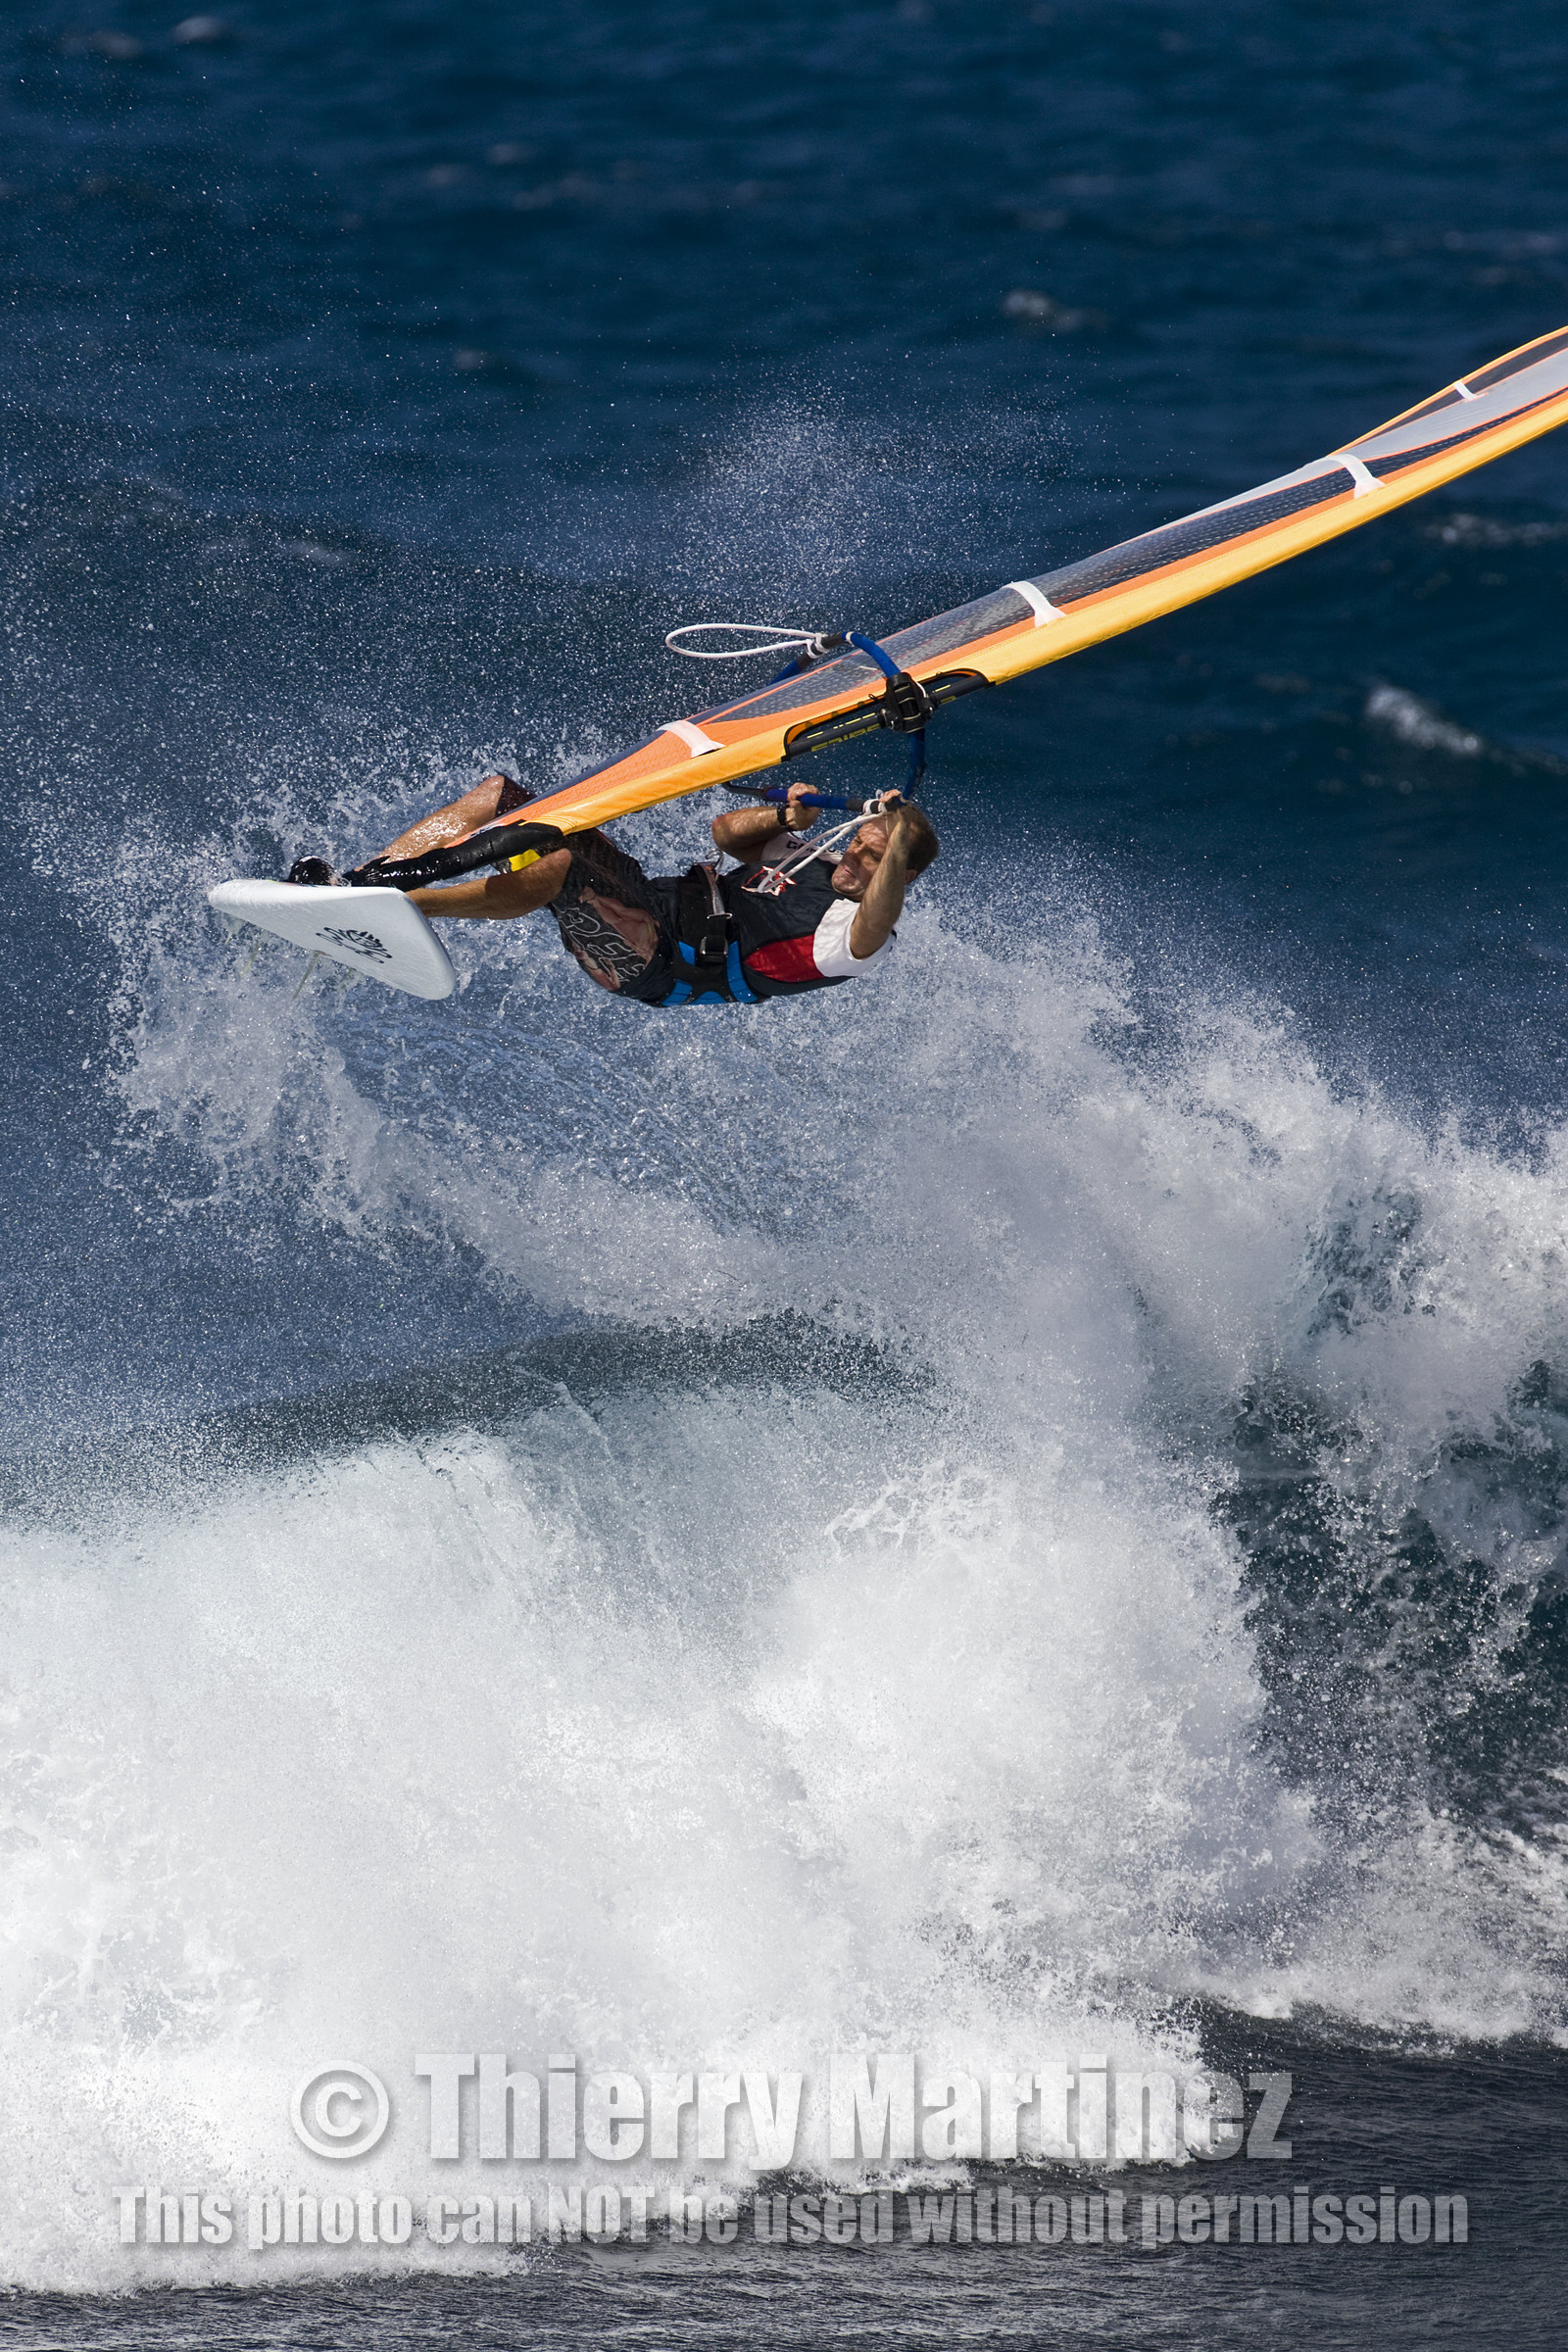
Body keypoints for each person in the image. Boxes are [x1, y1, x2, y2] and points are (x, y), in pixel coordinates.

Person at [360, 772, 940, 1005]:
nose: (856, 856)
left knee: (558, 865)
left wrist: (905, 828)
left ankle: (403, 906)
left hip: (663, 963)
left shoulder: (859, 938)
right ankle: (367, 878)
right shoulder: (819, 859)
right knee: (512, 801)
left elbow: (879, 908)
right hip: (648, 898)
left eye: (874, 856)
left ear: (902, 876)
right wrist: (786, 820)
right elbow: (726, 833)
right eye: (860, 842)